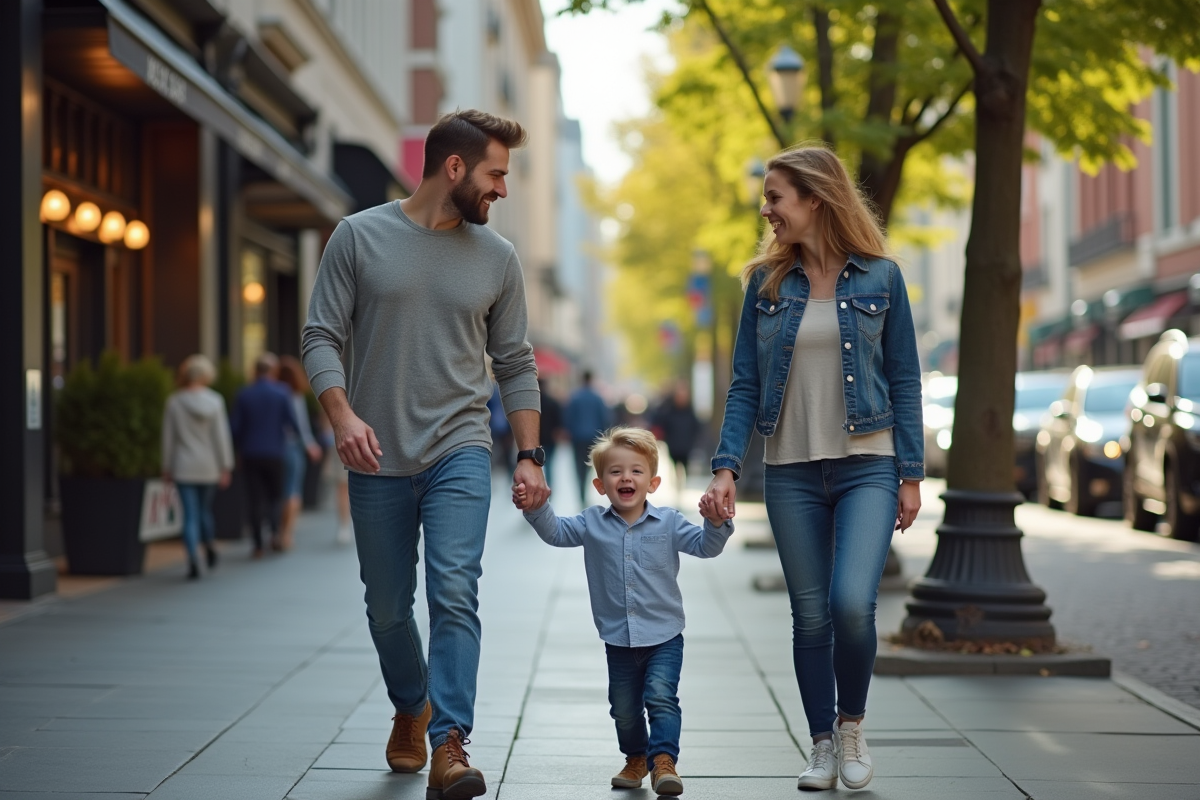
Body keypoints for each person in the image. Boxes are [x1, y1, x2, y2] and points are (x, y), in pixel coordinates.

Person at [302, 109, 548, 800]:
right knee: (387, 607)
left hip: (459, 446)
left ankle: (449, 743)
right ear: (454, 167)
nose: (502, 189)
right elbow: (320, 336)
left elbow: (515, 362)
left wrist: (529, 453)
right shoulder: (358, 235)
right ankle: (411, 704)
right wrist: (342, 416)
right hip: (374, 453)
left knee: (455, 590)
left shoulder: (498, 257)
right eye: (496, 174)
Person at [702, 145, 923, 792]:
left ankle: (852, 726)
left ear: (815, 199)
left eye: (775, 197)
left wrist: (911, 474)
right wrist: (726, 468)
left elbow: (906, 378)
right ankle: (822, 744)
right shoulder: (766, 285)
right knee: (811, 616)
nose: (765, 210)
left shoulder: (882, 278)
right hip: (791, 471)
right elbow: (745, 384)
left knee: (851, 603)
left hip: (868, 466)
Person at [516, 427, 732, 796]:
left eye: (636, 471)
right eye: (615, 472)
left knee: (661, 696)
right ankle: (636, 757)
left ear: (653, 483)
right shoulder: (591, 523)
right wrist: (536, 508)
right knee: (624, 708)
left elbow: (705, 547)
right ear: (600, 485)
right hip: (618, 639)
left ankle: (663, 761)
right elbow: (557, 533)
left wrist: (715, 523)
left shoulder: (669, 522)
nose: (626, 478)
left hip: (664, 636)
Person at [161, 354, 234, 579]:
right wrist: (225, 466)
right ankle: (209, 544)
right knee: (204, 511)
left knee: (189, 515)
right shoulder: (215, 401)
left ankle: (192, 556)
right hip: (209, 465)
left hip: (183, 466)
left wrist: (166, 467)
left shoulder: (175, 401)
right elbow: (221, 437)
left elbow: (168, 438)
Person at [230, 352, 300, 558]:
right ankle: (275, 535)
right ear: (273, 371)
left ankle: (257, 544)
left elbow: (235, 428)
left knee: (254, 499)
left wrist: (239, 448)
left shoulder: (244, 394)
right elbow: (292, 423)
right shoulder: (282, 392)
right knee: (274, 497)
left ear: (255, 371)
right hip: (275, 453)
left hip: (250, 454)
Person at [277, 356, 324, 551]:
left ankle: (278, 532)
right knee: (293, 490)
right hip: (293, 447)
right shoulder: (295, 397)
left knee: (280, 492)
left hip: (274, 449)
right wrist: (311, 446)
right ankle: (287, 534)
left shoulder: (276, 394)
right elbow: (302, 427)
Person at [565, 370, 611, 505]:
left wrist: (569, 431)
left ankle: (581, 492)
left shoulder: (575, 397)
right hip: (593, 436)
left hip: (577, 437)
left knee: (578, 465)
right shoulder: (597, 398)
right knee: (590, 464)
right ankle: (586, 488)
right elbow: (604, 418)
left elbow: (568, 417)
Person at [651, 381, 702, 500]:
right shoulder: (668, 411)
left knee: (685, 465)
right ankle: (677, 484)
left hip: (686, 445)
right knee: (675, 465)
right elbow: (662, 424)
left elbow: (696, 427)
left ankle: (682, 484)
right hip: (673, 444)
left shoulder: (690, 412)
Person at [537, 379, 564, 488]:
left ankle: (539, 484)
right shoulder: (552, 402)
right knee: (549, 464)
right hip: (550, 438)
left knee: (536, 464)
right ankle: (548, 485)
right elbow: (559, 421)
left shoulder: (532, 404)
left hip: (536, 438)